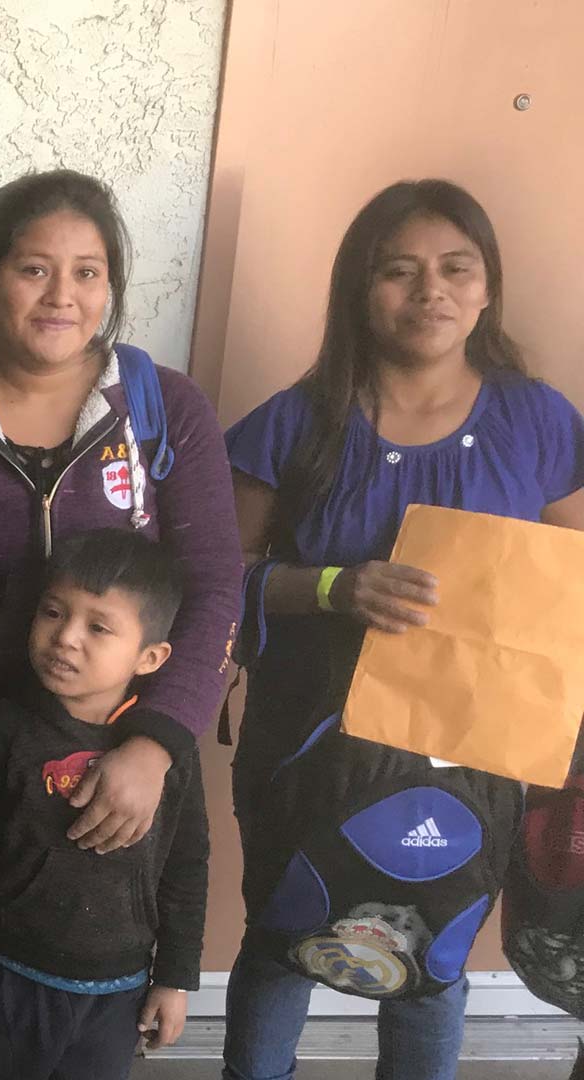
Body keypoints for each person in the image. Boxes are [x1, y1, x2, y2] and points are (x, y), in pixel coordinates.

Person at [221, 179, 584, 1079]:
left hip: (476, 754)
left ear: (488, 286)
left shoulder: (540, 421)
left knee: (437, 961)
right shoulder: (295, 423)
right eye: (400, 271)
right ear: (359, 289)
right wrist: (335, 589)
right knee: (280, 936)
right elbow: (214, 582)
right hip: (310, 739)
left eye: (457, 268)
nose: (432, 291)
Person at [0, 169, 241, 855]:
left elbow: (217, 585)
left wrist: (157, 742)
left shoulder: (162, 410)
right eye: (34, 269)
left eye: (87, 273)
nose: (62, 297)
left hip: (120, 765)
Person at [0, 529, 207, 1079]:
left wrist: (174, 979)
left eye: (98, 626)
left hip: (114, 997)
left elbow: (185, 870)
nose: (66, 637)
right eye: (52, 612)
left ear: (150, 656)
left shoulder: (167, 756)